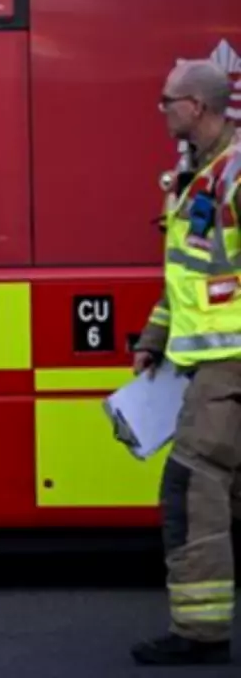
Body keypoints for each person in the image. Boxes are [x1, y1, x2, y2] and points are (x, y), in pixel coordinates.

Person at [132, 59, 241, 666]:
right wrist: (154, 337)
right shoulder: (197, 173)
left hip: (232, 364)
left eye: (166, 100)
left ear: (195, 106)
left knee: (192, 487)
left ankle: (201, 635)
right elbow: (188, 275)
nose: (162, 111)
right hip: (214, 364)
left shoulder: (234, 174)